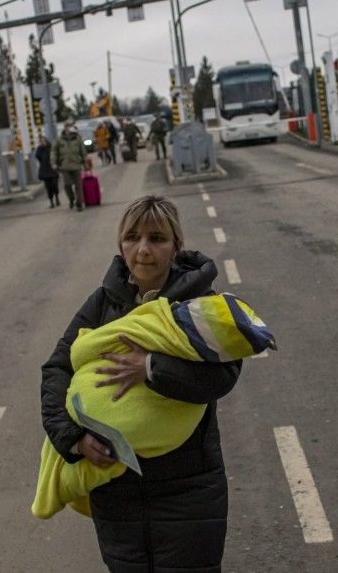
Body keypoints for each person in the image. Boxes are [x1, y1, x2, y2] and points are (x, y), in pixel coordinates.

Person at [40, 195, 240, 571]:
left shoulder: (198, 304)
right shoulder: (103, 303)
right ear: (121, 245)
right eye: (132, 238)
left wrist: (150, 367)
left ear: (176, 246)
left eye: (157, 238)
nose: (143, 249)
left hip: (188, 488)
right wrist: (74, 439)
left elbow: (224, 374)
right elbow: (56, 370)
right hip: (116, 491)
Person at [51, 120, 87, 211]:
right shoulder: (59, 139)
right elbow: (54, 151)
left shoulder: (77, 138)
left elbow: (83, 151)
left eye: (72, 125)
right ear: (65, 127)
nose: (71, 127)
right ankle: (71, 199)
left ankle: (79, 203)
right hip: (64, 166)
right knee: (67, 185)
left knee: (78, 186)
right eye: (69, 125)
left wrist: (85, 163)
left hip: (76, 165)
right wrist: (53, 162)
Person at [35, 135, 60, 208]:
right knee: (48, 187)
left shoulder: (51, 147)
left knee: (55, 185)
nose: (42, 142)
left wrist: (56, 165)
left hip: (52, 170)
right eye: (41, 141)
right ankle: (51, 202)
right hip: (45, 171)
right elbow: (37, 156)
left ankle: (57, 198)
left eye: (43, 140)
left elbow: (56, 155)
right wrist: (41, 147)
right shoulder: (40, 149)